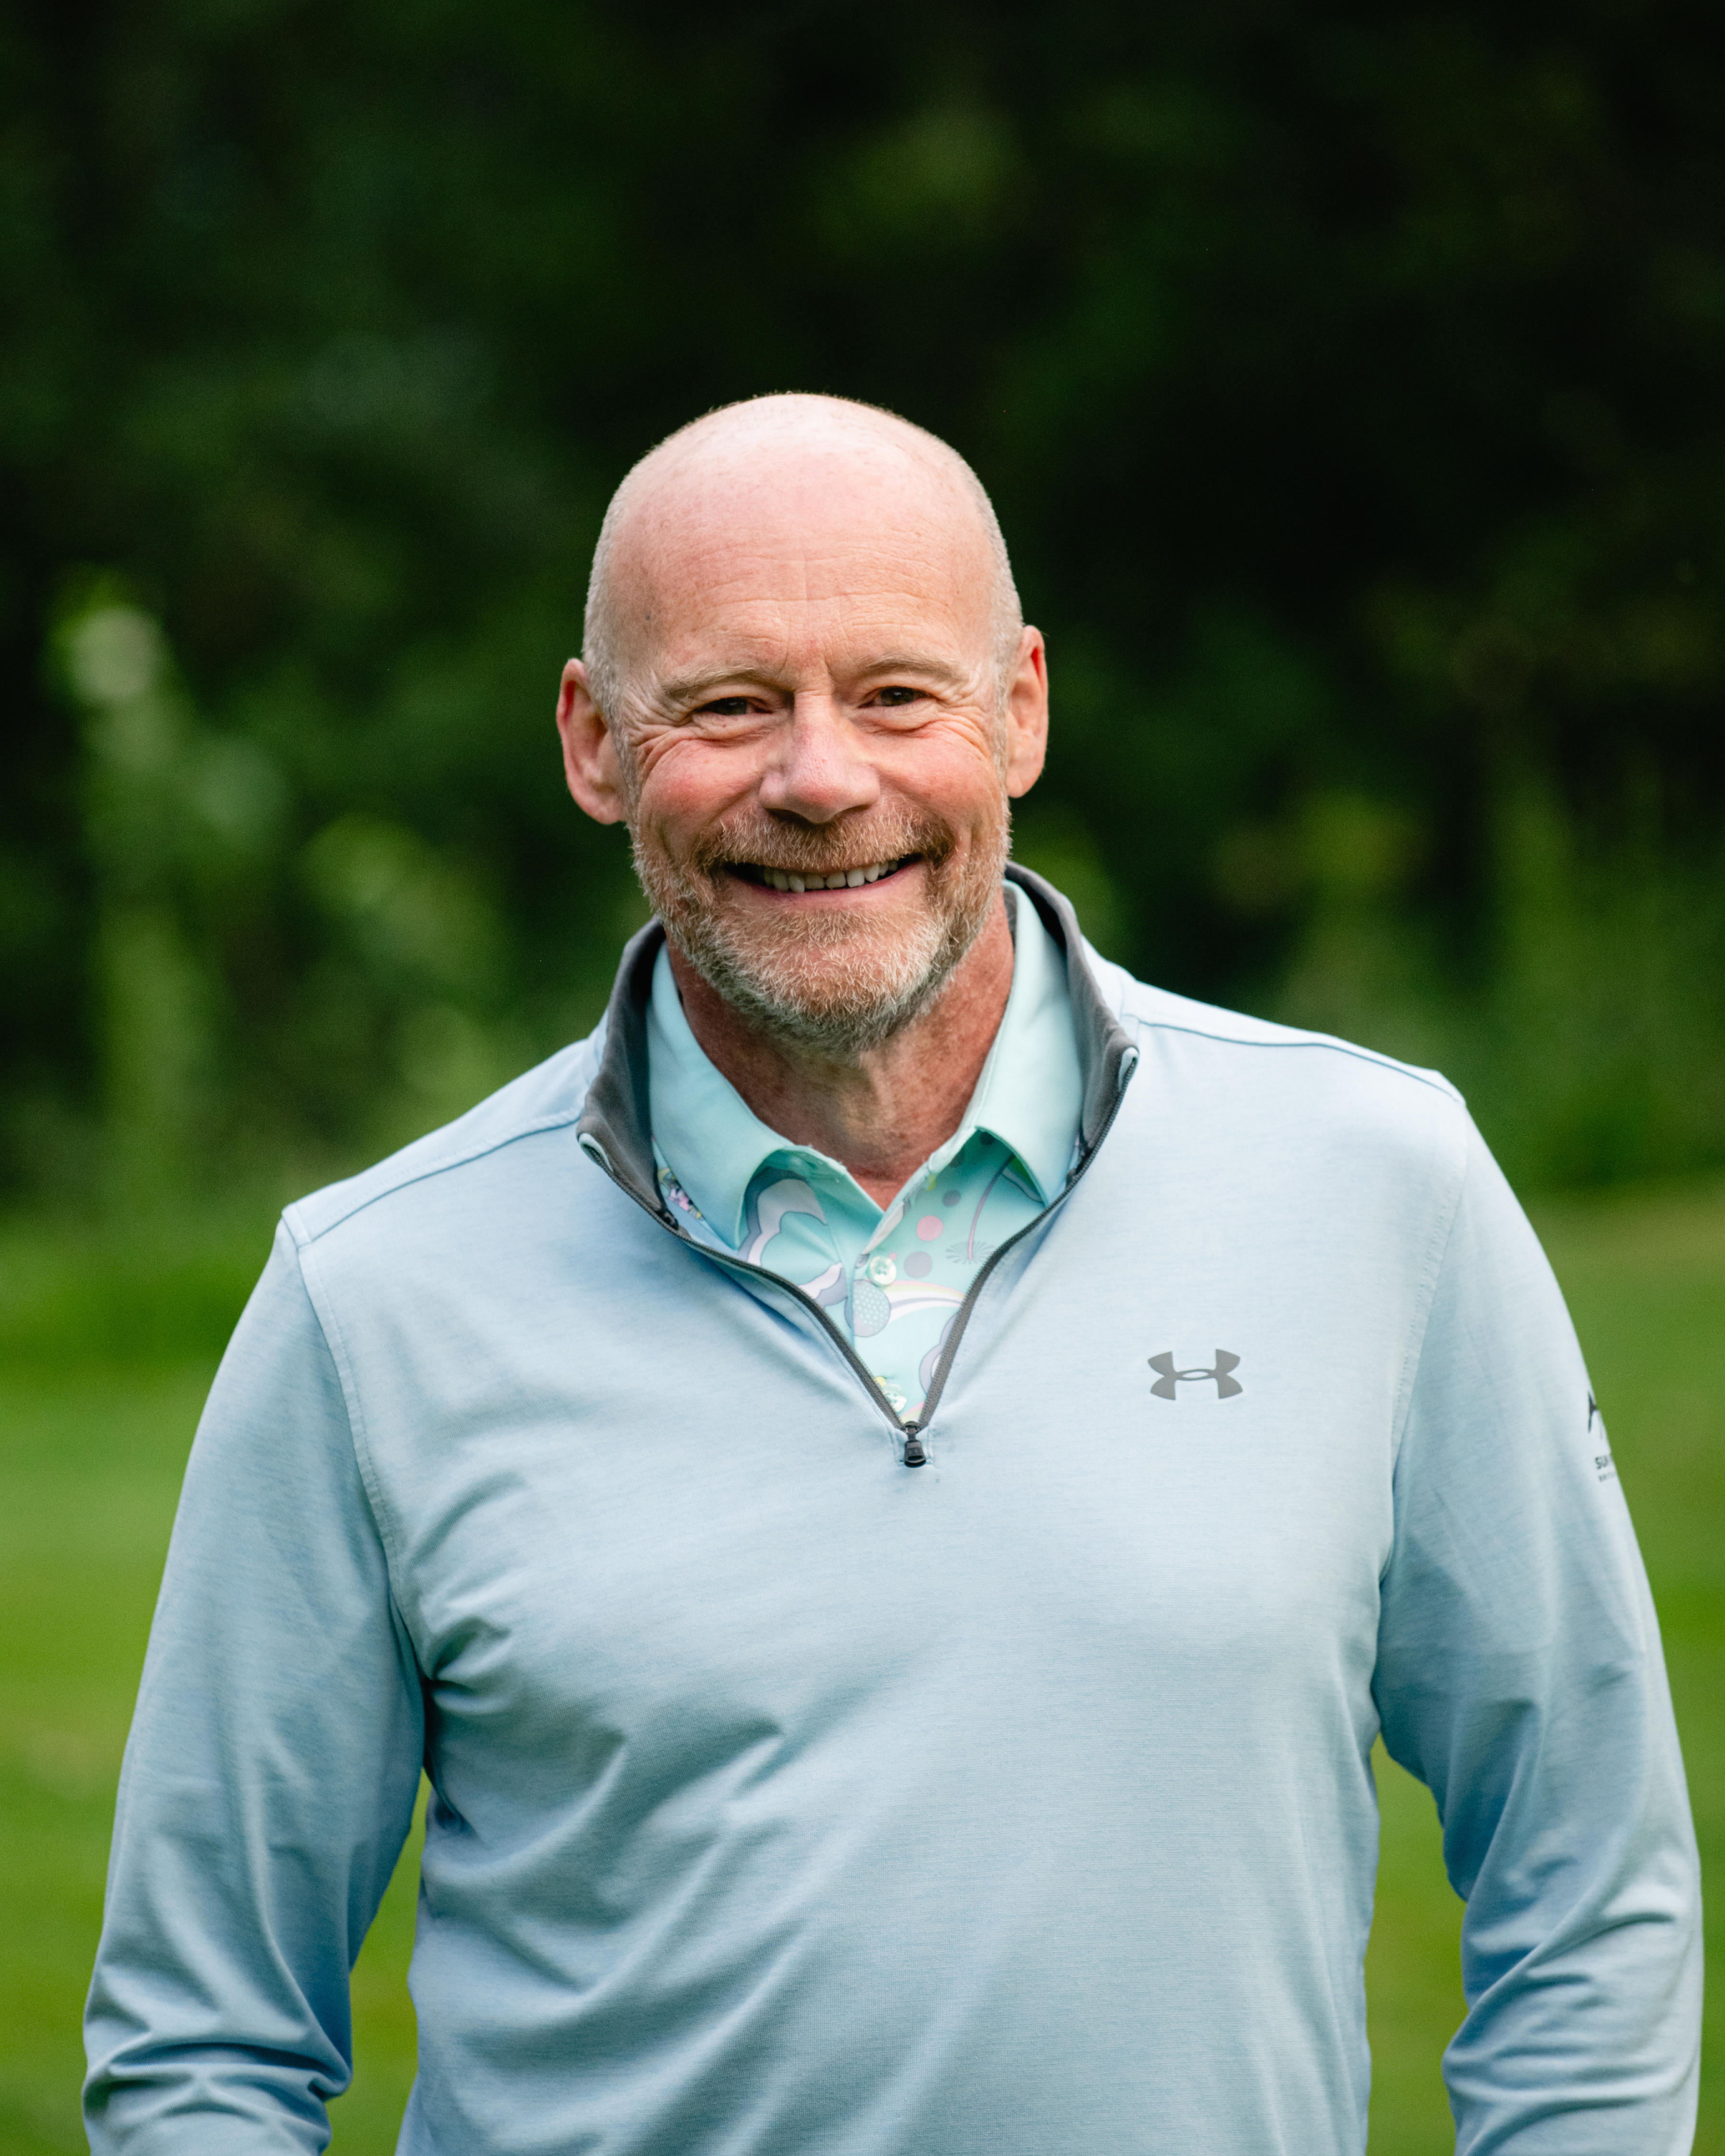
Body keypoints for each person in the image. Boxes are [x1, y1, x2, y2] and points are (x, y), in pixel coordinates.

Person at [85, 394, 1701, 2155]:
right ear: (594, 743)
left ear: (1022, 708)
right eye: (725, 705)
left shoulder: (1376, 1187)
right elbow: (205, 2043)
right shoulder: (370, 1301)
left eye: (894, 693)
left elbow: (1586, 1875)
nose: (819, 776)